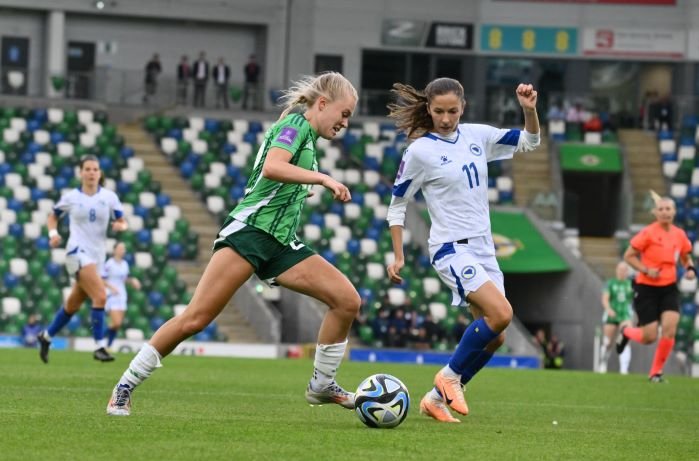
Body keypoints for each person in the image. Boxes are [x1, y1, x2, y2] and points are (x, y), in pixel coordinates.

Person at [106, 72, 360, 416]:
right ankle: (124, 386)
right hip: (250, 233)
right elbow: (272, 167)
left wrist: (301, 187)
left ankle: (321, 384)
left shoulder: (308, 138)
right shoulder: (296, 126)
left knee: (346, 301)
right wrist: (322, 178)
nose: (345, 123)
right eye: (343, 114)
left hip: (281, 243)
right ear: (323, 104)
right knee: (196, 318)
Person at [386, 77, 540, 423]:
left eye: (452, 111)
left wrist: (529, 111)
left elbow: (530, 142)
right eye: (438, 111)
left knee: (495, 337)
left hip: (485, 249)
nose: (445, 118)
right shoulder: (420, 152)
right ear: (428, 109)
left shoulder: (476, 136)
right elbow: (397, 206)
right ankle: (450, 377)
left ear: (463, 108)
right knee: (501, 314)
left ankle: (434, 400)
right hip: (450, 249)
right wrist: (398, 254)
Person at [38, 155, 128, 363]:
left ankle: (46, 336)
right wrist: (53, 235)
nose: (91, 173)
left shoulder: (109, 197)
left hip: (97, 257)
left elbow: (122, 221)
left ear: (100, 173)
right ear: (80, 173)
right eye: (87, 169)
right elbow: (52, 217)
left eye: (95, 169)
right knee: (100, 296)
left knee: (73, 305)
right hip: (76, 253)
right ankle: (99, 346)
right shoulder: (71, 197)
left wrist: (119, 226)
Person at [617, 196, 695, 382]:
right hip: (646, 288)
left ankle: (655, 373)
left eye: (668, 209)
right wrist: (645, 269)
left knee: (670, 329)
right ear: (655, 213)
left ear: (674, 212)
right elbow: (629, 256)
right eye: (661, 209)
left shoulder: (679, 234)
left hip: (668, 287)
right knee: (649, 337)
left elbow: (685, 255)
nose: (665, 212)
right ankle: (626, 331)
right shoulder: (648, 233)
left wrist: (690, 268)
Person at [102, 242, 141, 350]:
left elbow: (124, 279)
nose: (122, 250)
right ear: (114, 250)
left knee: (117, 325)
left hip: (122, 295)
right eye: (120, 248)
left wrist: (132, 281)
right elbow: (102, 279)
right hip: (111, 295)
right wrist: (112, 287)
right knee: (116, 322)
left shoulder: (124, 264)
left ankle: (108, 346)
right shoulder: (109, 263)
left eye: (123, 249)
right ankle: (99, 338)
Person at [598, 261, 634, 374]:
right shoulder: (610, 283)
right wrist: (608, 309)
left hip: (625, 315)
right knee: (607, 342)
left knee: (624, 340)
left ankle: (624, 369)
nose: (622, 272)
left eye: (625, 270)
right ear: (616, 270)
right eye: (620, 269)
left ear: (627, 271)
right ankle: (603, 363)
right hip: (612, 314)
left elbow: (636, 299)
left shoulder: (630, 284)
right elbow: (605, 298)